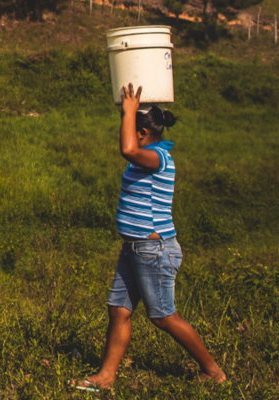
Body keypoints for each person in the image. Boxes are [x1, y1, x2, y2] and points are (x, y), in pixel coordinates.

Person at [71, 84, 225, 392]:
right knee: (119, 310)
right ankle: (106, 376)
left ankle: (213, 371)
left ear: (142, 133)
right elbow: (130, 152)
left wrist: (129, 110)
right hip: (134, 248)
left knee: (163, 316)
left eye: (129, 127)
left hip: (154, 249)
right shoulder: (145, 157)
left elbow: (127, 149)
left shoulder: (157, 158)